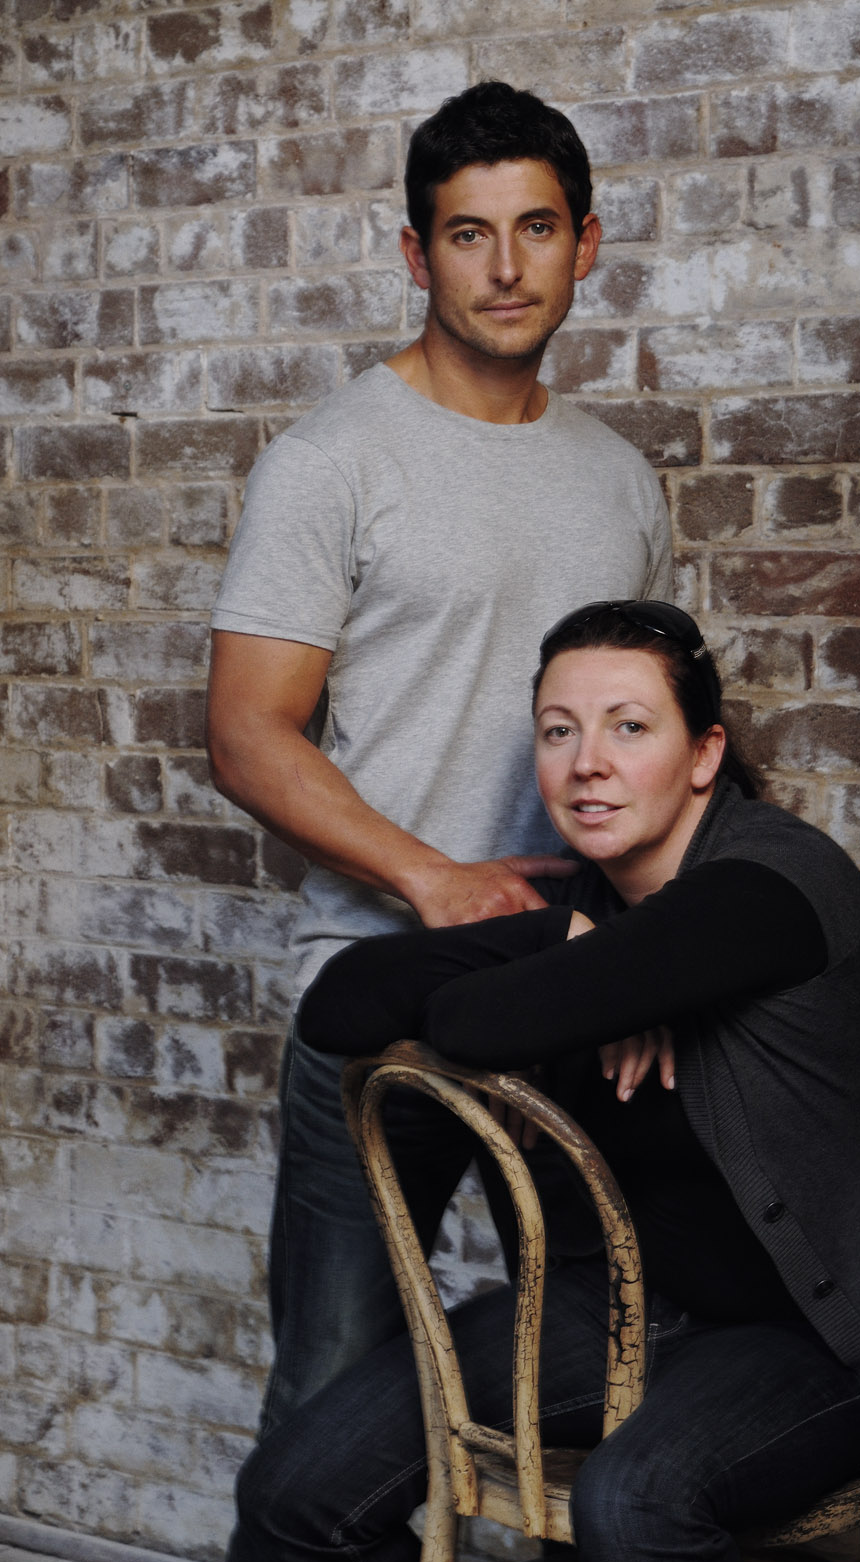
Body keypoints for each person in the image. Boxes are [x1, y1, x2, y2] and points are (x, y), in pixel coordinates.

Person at [229, 601, 860, 1562]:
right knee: (297, 1488)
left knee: (632, 1501)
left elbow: (483, 1023)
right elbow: (340, 1002)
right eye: (558, 730)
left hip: (818, 1342)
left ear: (702, 753)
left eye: (629, 726)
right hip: (624, 1311)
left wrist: (580, 980)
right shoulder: (582, 901)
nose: (587, 763)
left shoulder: (772, 887)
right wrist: (579, 957)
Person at [206, 77, 672, 1482]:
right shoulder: (333, 463)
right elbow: (247, 734)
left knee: (610, 1380)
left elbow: (657, 743)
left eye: (537, 228)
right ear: (417, 256)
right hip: (380, 1007)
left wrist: (658, 962)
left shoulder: (621, 478)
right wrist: (435, 879)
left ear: (588, 242)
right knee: (335, 1410)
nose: (508, 266)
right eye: (469, 235)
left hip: (577, 1002)